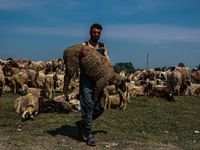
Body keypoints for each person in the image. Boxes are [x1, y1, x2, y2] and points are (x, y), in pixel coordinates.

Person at [76, 23, 111, 146]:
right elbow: (77, 60)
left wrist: (111, 73)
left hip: (98, 81)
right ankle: (89, 134)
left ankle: (81, 124)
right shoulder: (84, 46)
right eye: (94, 32)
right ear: (90, 32)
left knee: (100, 108)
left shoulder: (102, 46)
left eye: (98, 32)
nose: (96, 34)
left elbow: (107, 61)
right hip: (86, 80)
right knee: (87, 106)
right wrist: (81, 55)